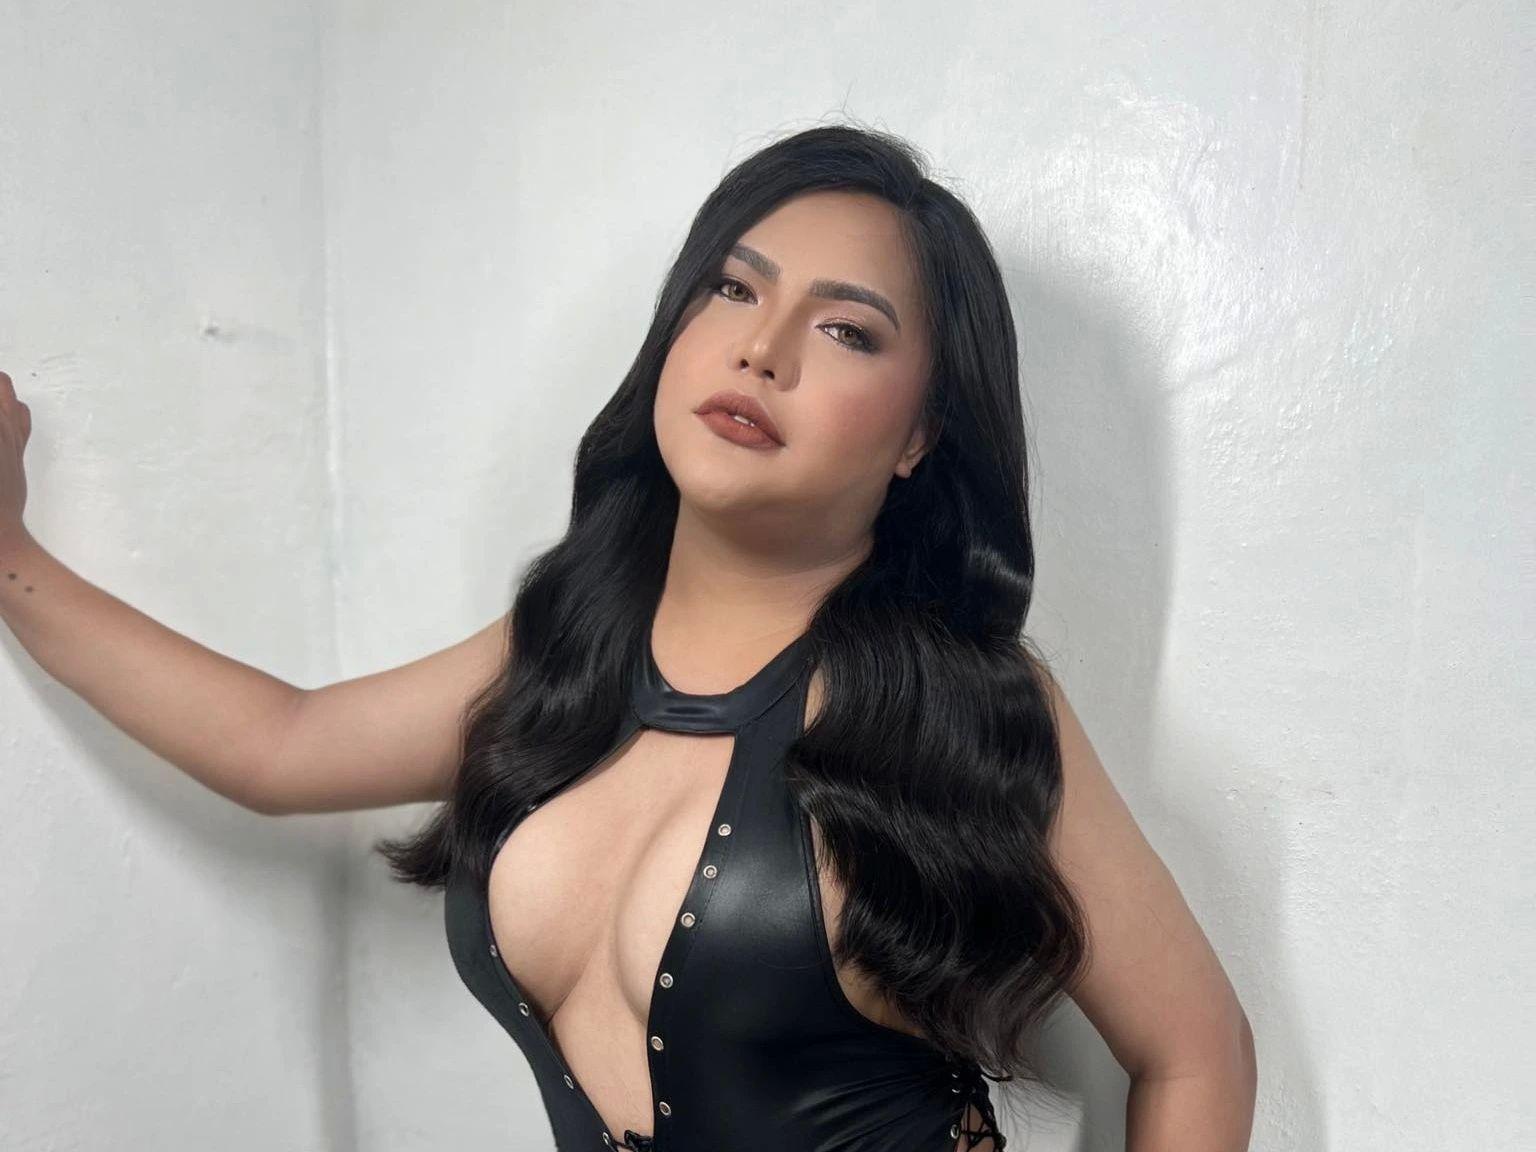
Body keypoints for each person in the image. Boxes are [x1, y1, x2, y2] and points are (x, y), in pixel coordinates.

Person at [0, 123, 1256, 1150]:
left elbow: (1196, 1053)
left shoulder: (963, 704)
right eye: (733, 288)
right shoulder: (565, 651)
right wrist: (14, 560)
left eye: (846, 329)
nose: (761, 349)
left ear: (920, 434)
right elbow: (282, 745)